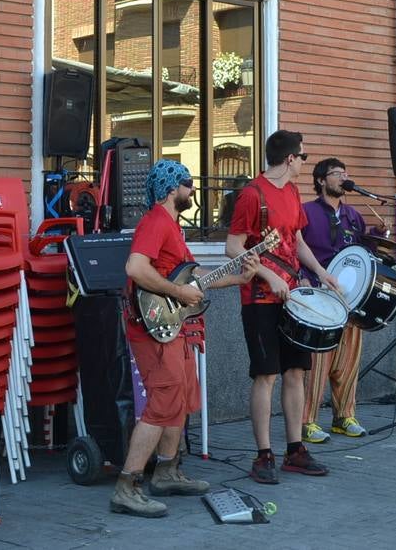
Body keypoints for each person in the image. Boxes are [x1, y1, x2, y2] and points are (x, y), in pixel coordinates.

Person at [111, 160, 260, 517]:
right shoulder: (156, 222)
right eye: (187, 184)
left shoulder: (173, 228)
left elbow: (196, 279)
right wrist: (176, 292)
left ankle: (165, 471)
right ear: (169, 189)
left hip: (172, 327)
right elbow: (135, 268)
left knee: (179, 398)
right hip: (153, 329)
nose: (193, 190)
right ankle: (126, 486)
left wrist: (239, 278)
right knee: (163, 402)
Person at [226, 130, 340, 484]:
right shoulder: (251, 194)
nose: (305, 163)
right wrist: (264, 274)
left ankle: (295, 449)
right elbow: (233, 247)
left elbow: (298, 241)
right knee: (266, 375)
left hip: (293, 298)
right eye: (303, 157)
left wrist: (322, 273)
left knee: (295, 372)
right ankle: (263, 455)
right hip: (259, 299)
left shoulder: (292, 192)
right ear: (290, 158)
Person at [299, 158, 377, 442]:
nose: (343, 177)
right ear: (321, 180)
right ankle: (306, 421)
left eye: (346, 173)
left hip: (349, 299)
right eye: (336, 174)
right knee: (318, 362)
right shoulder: (304, 212)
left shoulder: (354, 215)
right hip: (319, 297)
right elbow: (291, 247)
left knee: (348, 361)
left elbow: (361, 254)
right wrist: (301, 276)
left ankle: (344, 417)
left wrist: (378, 239)